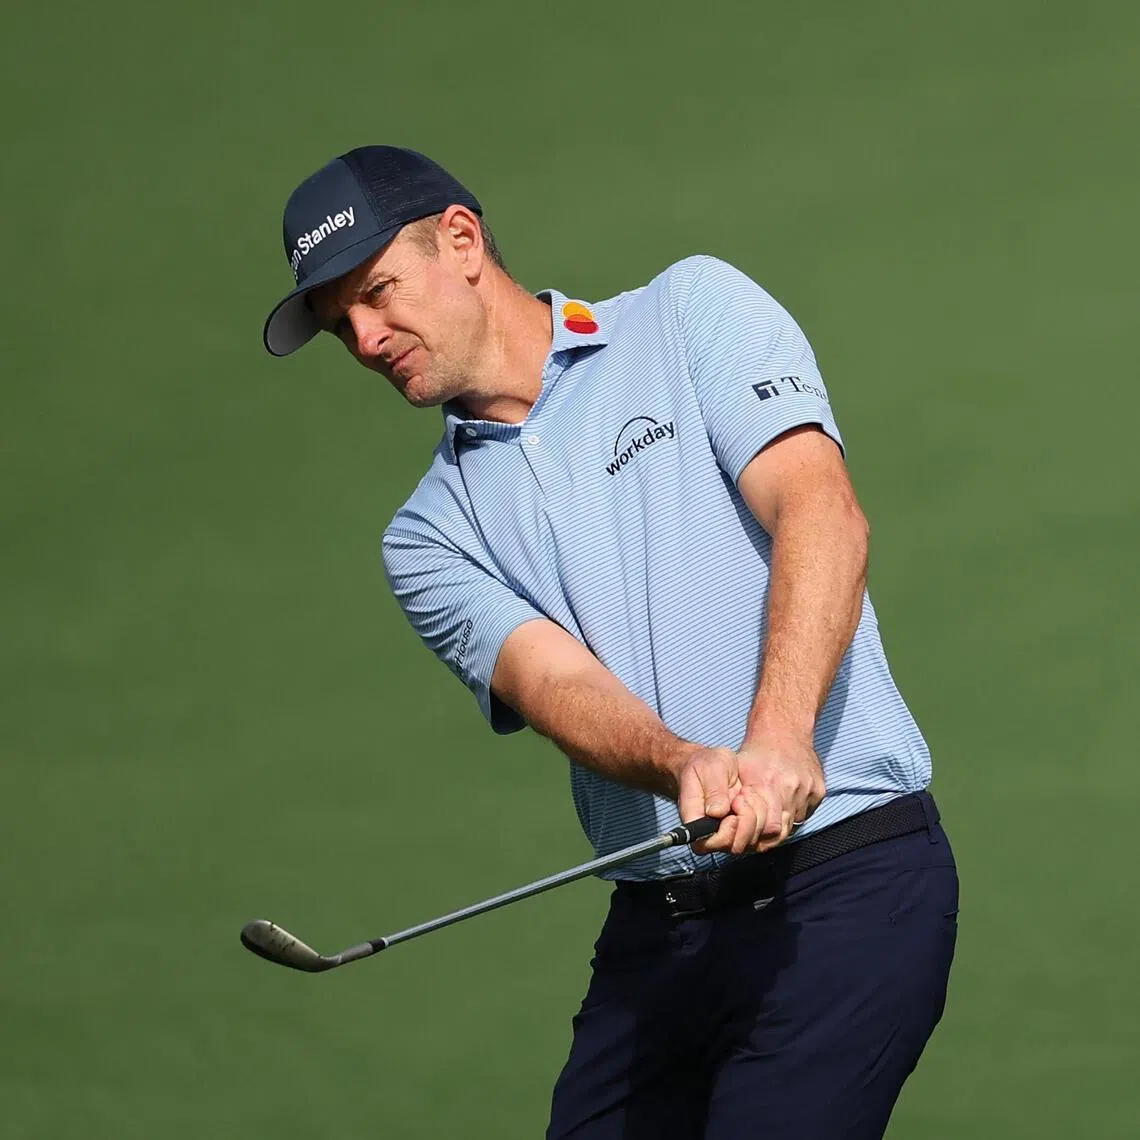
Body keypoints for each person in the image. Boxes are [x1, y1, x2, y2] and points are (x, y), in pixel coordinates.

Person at [263, 145, 958, 1139]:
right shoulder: (427, 535)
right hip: (659, 934)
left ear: (460, 241)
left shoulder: (686, 314)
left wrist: (779, 737)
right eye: (342, 327)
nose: (368, 338)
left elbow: (821, 514)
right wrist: (685, 762)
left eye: (377, 293)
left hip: (848, 884)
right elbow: (557, 688)